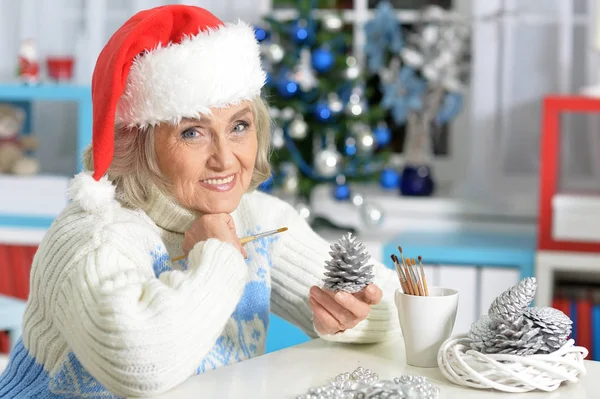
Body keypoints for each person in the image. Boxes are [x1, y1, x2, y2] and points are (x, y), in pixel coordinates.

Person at [0, 5, 400, 398]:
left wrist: (354, 318)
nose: (226, 159)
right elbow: (139, 366)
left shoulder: (258, 217)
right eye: (193, 132)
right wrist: (219, 257)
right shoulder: (95, 237)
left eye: (239, 126)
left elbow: (388, 300)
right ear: (138, 145)